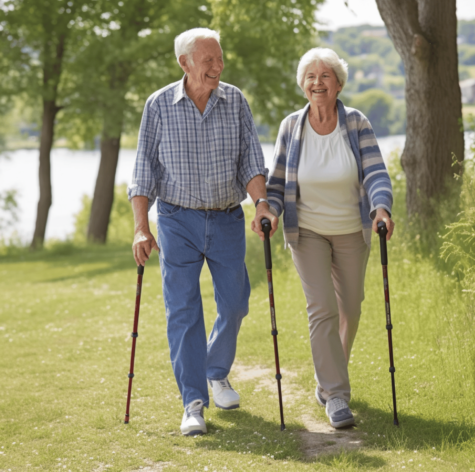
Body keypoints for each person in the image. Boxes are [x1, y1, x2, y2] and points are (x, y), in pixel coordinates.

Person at [128, 28, 278, 436]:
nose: (217, 66)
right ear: (185, 63)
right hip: (177, 220)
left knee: (235, 304)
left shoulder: (235, 101)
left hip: (227, 216)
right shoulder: (158, 105)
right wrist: (142, 228)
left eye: (219, 58)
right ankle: (193, 401)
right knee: (184, 311)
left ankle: (216, 371)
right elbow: (144, 170)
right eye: (208, 59)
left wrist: (261, 203)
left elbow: (251, 159)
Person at [261, 47, 394, 429]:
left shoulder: (355, 123)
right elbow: (277, 182)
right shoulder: (292, 126)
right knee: (322, 308)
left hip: (352, 228)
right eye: (310, 77)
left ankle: (329, 377)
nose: (317, 83)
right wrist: (267, 210)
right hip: (308, 232)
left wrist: (381, 208)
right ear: (303, 85)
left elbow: (375, 173)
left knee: (351, 308)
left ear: (338, 84)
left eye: (325, 76)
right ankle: (336, 395)